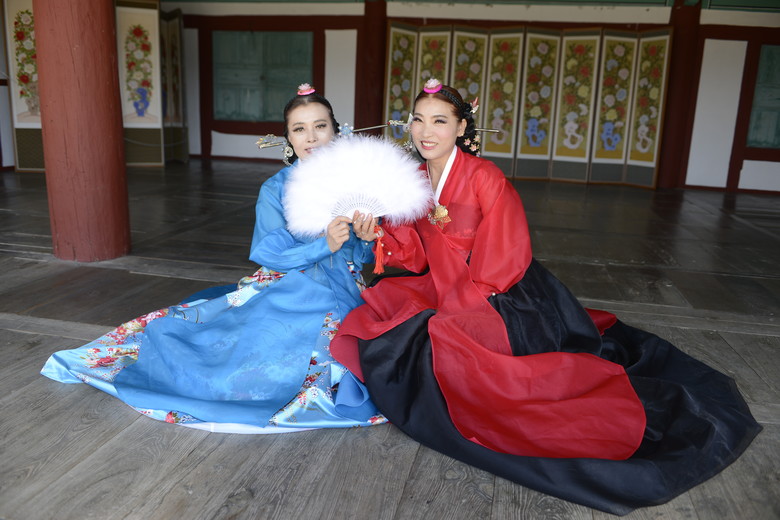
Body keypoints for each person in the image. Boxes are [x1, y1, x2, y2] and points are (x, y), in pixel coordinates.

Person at [334, 78, 761, 515]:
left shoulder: (484, 176)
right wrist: (377, 235)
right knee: (390, 322)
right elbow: (414, 254)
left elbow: (507, 247)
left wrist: (470, 299)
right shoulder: (411, 180)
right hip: (441, 282)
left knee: (462, 348)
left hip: (497, 287)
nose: (426, 132)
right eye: (419, 120)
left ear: (461, 128)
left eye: (440, 121)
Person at [41, 84, 385, 433]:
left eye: (320, 126)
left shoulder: (355, 184)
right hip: (288, 285)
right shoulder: (276, 188)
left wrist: (367, 239)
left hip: (345, 287)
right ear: (288, 138)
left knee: (358, 346)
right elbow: (267, 252)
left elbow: (359, 256)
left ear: (336, 130)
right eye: (299, 128)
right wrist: (321, 246)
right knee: (249, 363)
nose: (311, 137)